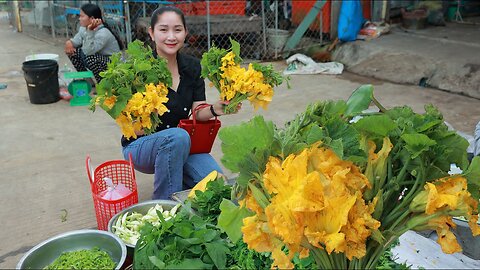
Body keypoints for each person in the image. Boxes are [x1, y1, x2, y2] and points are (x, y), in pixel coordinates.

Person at [121, 6, 241, 200]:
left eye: (177, 30)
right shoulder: (138, 69)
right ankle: (164, 207)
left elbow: (198, 112)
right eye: (163, 30)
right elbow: (133, 130)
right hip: (140, 147)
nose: (171, 36)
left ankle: (181, 178)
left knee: (219, 188)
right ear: (151, 33)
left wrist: (215, 108)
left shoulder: (192, 67)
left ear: (185, 32)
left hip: (183, 145)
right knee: (177, 136)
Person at [64, 3, 122, 83]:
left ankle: (103, 84)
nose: (79, 19)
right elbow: (75, 42)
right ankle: (87, 82)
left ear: (92, 18)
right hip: (98, 59)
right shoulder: (83, 29)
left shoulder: (103, 33)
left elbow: (88, 52)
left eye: (82, 16)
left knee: (91, 58)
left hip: (113, 64)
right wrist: (69, 43)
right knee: (73, 52)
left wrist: (90, 31)